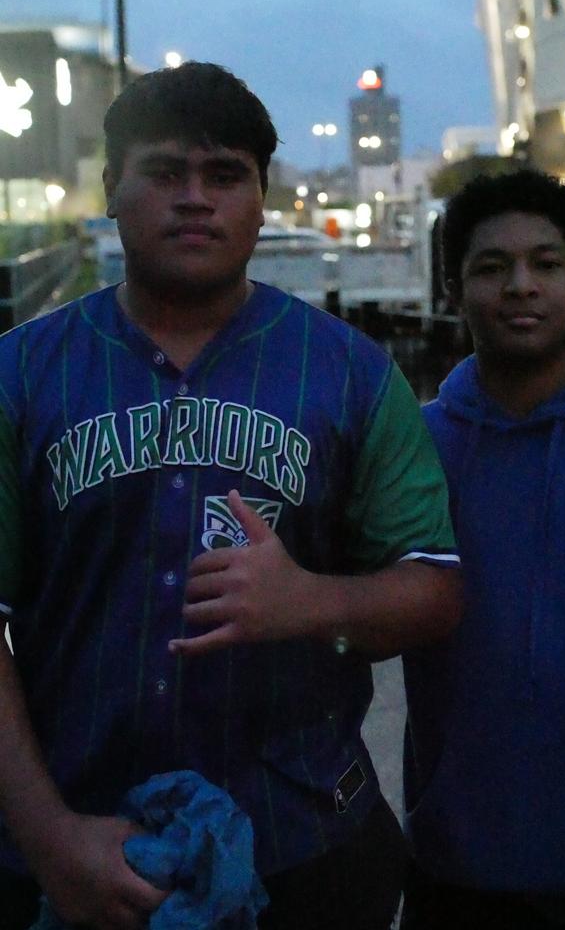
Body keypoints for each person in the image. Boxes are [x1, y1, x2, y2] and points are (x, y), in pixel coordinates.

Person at [0, 62, 461, 930]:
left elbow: (435, 586)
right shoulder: (21, 374)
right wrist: (48, 837)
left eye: (224, 176)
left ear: (260, 197)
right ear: (112, 189)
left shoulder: (351, 372)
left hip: (303, 839)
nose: (195, 198)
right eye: (165, 173)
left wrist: (312, 601)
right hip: (82, 841)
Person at [402, 169, 565, 930]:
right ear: (452, 287)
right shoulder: (416, 444)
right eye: (490, 266)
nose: (520, 286)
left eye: (545, 264)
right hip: (458, 871)